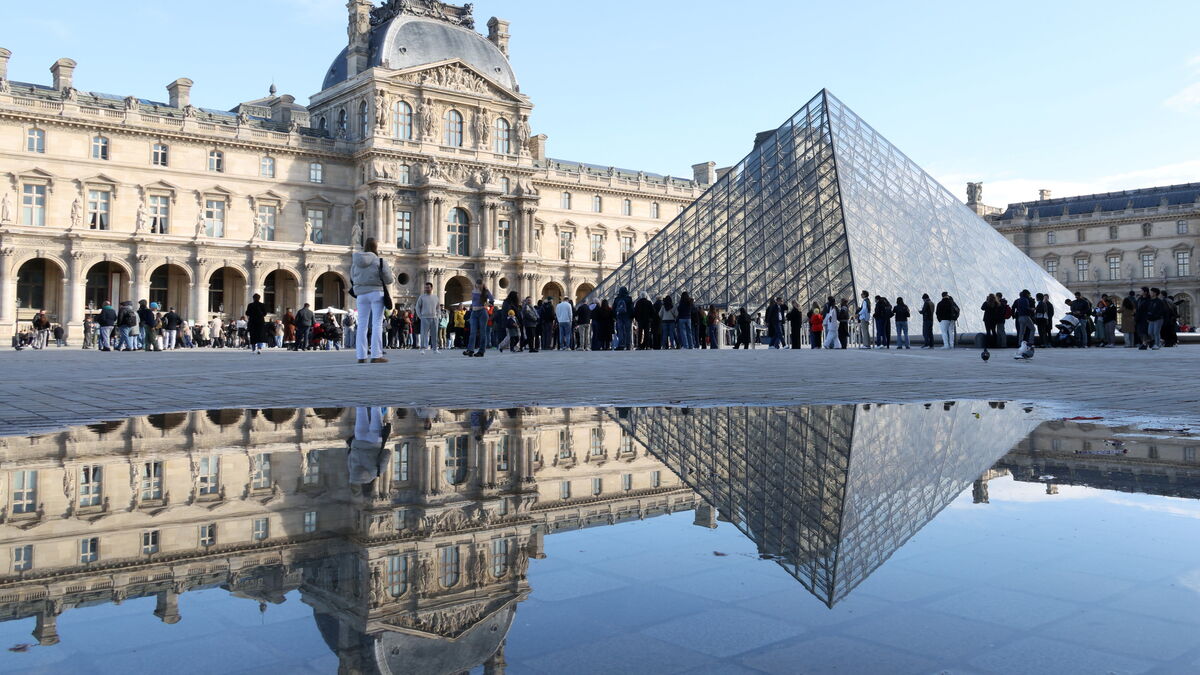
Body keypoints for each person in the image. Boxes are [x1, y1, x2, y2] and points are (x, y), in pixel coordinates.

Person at [350, 238, 392, 363]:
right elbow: (389, 279)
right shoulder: (379, 261)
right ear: (375, 247)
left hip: (361, 294)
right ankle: (376, 355)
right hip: (376, 293)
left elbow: (352, 277)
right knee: (377, 324)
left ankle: (361, 356)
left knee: (362, 325)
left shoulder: (355, 261)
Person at [416, 282, 439, 352]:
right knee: (423, 334)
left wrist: (437, 316)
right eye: (425, 287)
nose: (426, 289)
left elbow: (438, 308)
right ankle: (422, 348)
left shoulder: (436, 297)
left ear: (431, 288)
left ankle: (435, 349)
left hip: (434, 318)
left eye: (428, 287)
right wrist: (420, 316)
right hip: (424, 318)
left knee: (434, 334)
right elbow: (417, 307)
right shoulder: (422, 297)